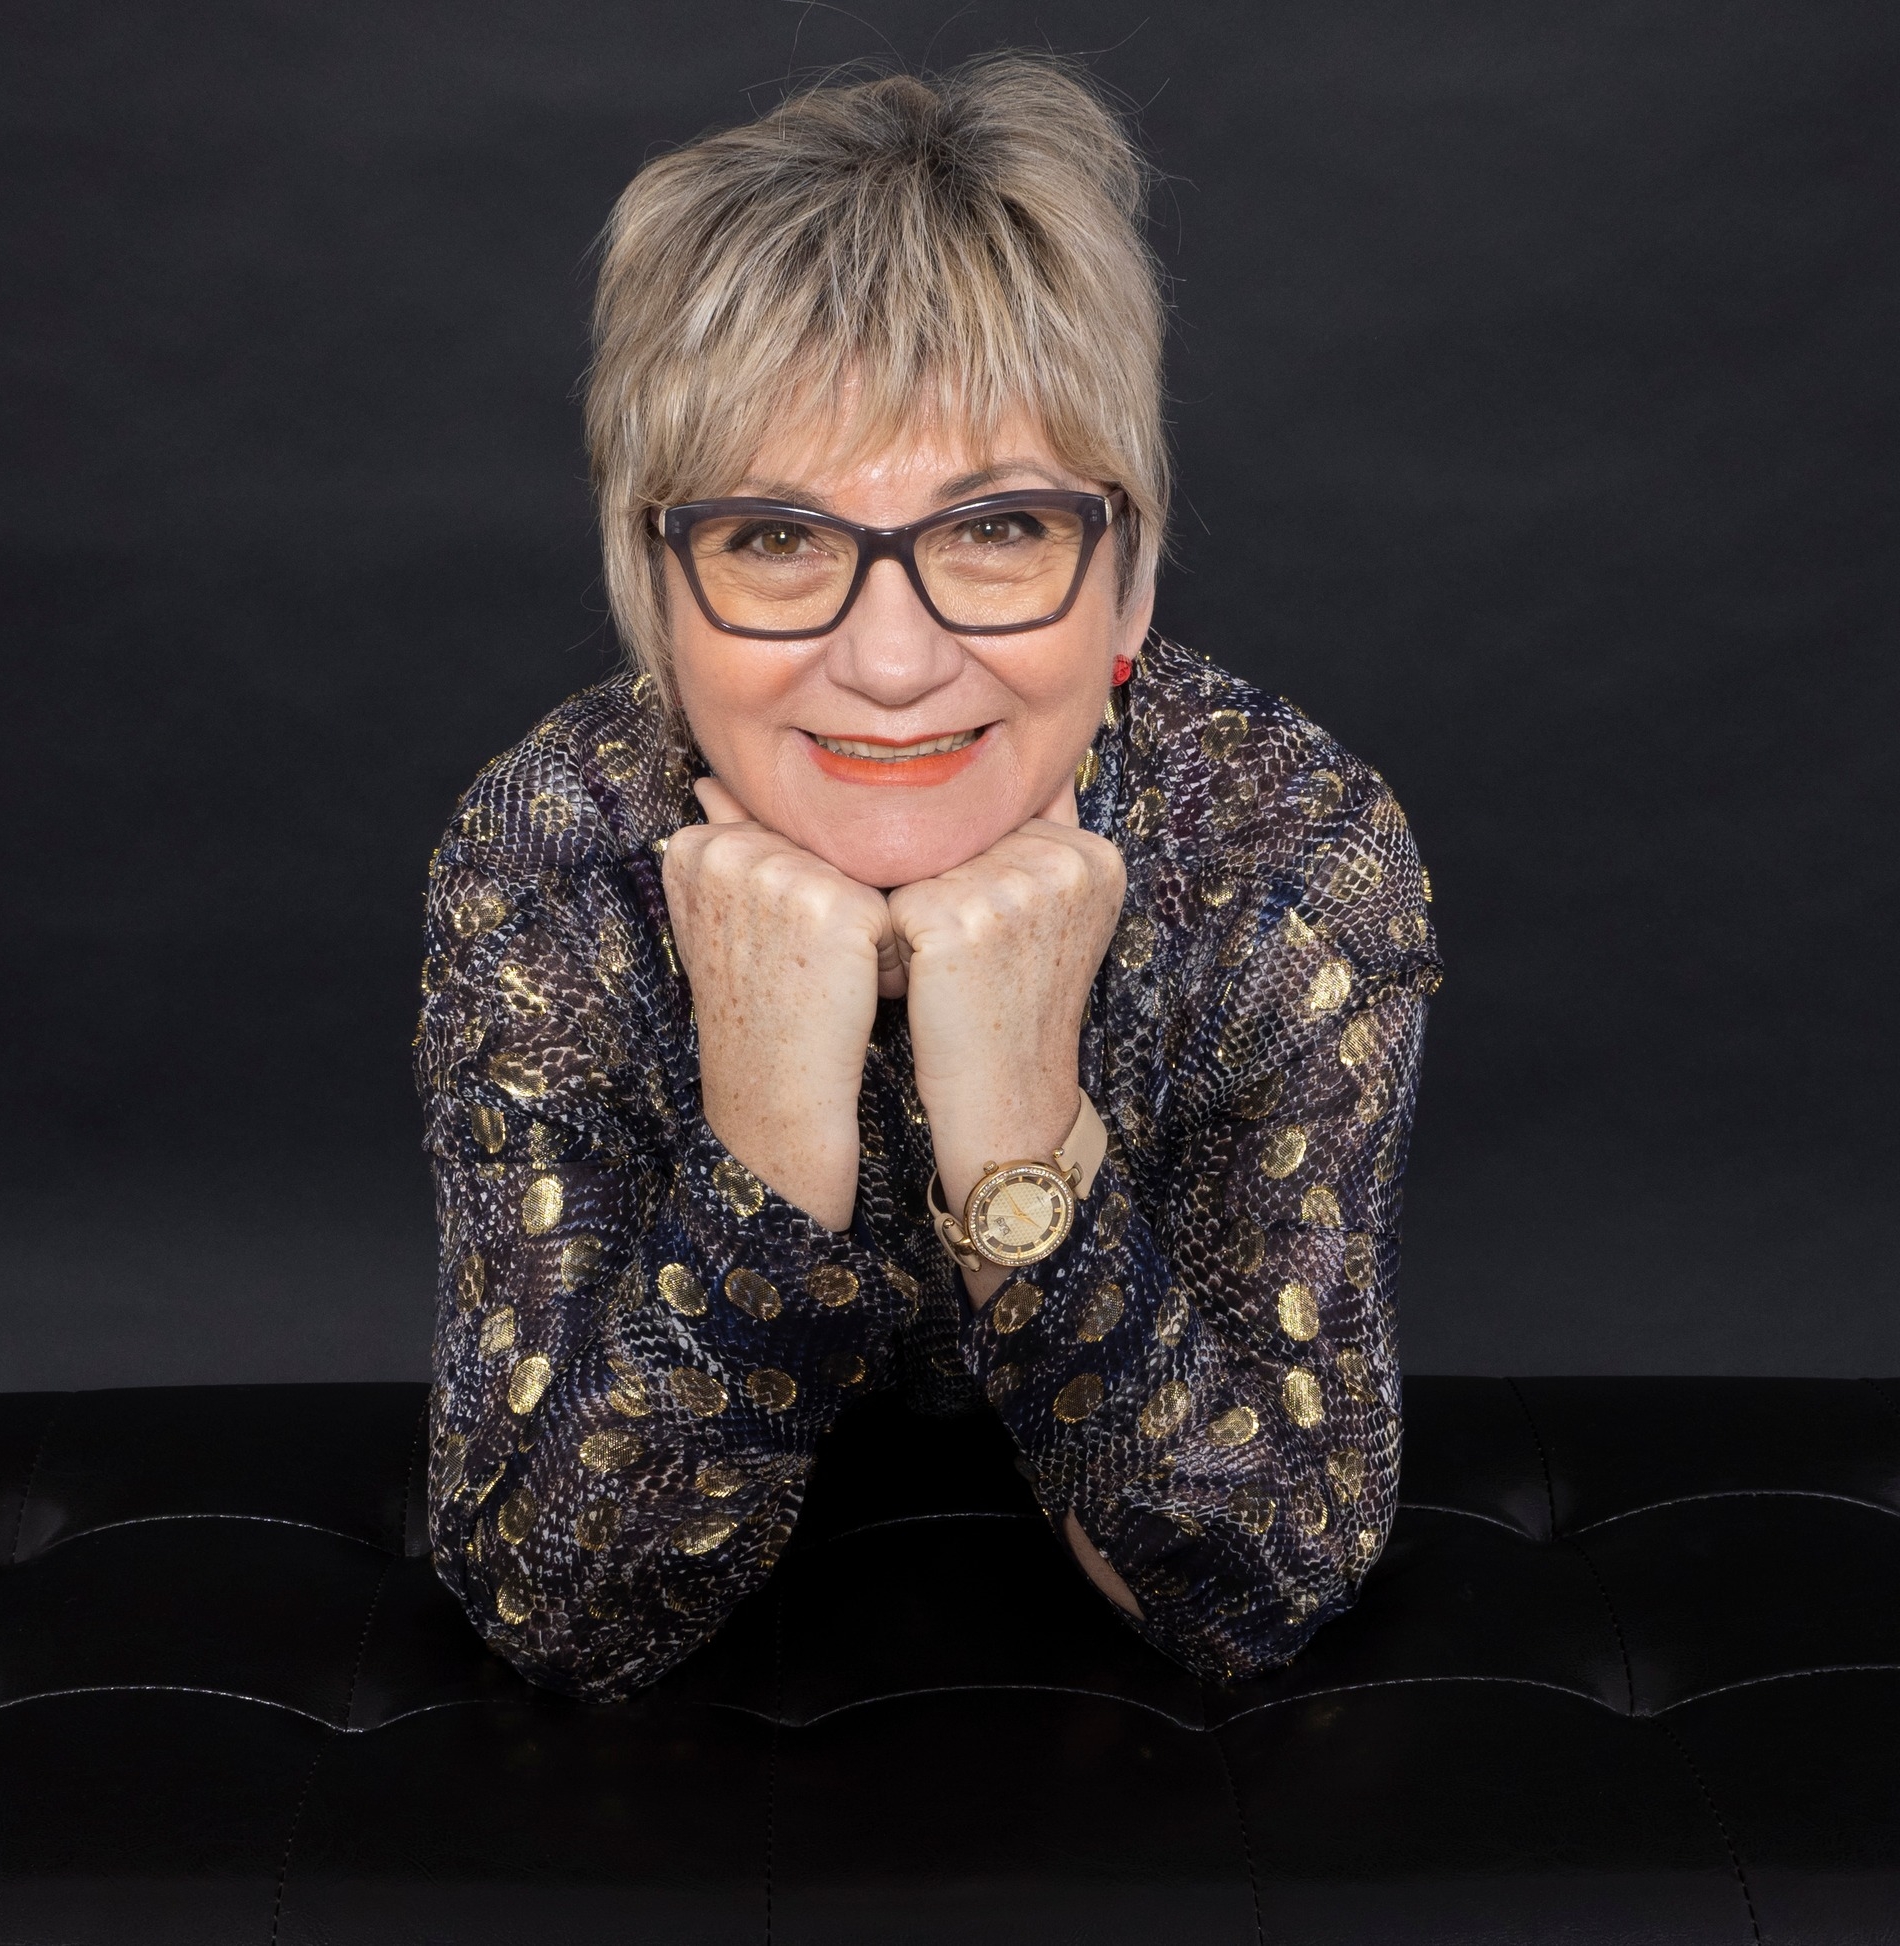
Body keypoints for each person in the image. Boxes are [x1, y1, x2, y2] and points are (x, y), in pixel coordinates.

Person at [414, 54, 1440, 1702]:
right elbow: (558, 1605)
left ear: (1127, 581)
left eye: (998, 529)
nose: (892, 661)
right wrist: (768, 1129)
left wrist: (1023, 1121)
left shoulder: (1286, 854)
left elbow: (1262, 1585)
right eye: (775, 537)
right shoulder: (552, 857)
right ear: (655, 595)